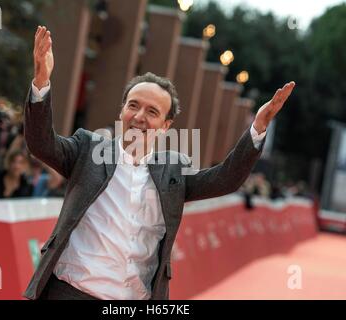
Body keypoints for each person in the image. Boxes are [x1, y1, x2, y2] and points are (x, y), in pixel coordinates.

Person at [23, 26, 296, 300]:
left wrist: (258, 128)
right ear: (122, 110)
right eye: (133, 105)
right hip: (69, 292)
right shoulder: (87, 149)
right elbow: (41, 144)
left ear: (166, 125)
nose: (140, 116)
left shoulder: (174, 173)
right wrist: (41, 83)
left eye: (152, 111)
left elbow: (226, 179)